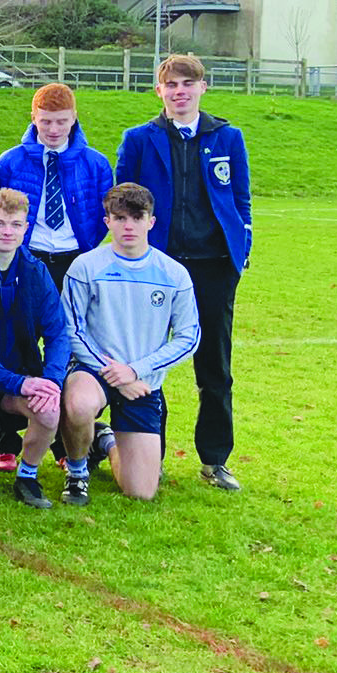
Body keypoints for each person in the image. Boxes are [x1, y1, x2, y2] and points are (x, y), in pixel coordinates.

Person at [113, 54, 250, 492]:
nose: (180, 91)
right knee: (151, 363)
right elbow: (122, 199)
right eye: (171, 84)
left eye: (188, 84)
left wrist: (240, 249)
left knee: (215, 367)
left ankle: (214, 460)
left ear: (202, 88)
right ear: (160, 91)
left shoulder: (227, 137)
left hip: (213, 267)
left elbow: (241, 200)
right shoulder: (139, 139)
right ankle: (151, 455)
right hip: (160, 268)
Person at [61, 183, 200, 503]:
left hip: (142, 380)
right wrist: (114, 372)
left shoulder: (174, 274)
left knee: (140, 492)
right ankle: (78, 471)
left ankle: (105, 441)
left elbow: (188, 336)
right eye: (120, 217)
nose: (128, 226)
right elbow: (72, 329)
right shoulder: (86, 266)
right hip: (94, 370)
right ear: (107, 220)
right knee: (79, 404)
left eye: (137, 218)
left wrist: (136, 370)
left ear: (151, 221)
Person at [0, 188, 70, 510]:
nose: (8, 231)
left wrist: (50, 380)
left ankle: (27, 475)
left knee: (49, 408)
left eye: (15, 224)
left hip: (18, 381)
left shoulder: (35, 271)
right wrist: (19, 382)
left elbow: (57, 333)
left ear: (26, 227)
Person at [0, 82, 111, 292]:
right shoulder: (10, 162)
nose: (54, 130)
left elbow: (104, 216)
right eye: (45, 122)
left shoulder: (96, 164)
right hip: (28, 258)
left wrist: (88, 244)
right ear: (33, 118)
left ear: (74, 117)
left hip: (76, 258)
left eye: (62, 121)